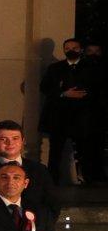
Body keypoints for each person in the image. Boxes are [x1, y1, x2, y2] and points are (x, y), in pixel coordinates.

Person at [37, 38, 97, 184]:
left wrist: (84, 94)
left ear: (81, 49)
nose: (71, 50)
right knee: (56, 150)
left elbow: (98, 88)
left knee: (85, 149)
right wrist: (63, 93)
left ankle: (88, 180)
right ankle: (52, 180)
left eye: (75, 48)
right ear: (63, 50)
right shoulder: (55, 68)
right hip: (60, 116)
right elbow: (44, 88)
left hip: (83, 116)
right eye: (68, 48)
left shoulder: (92, 68)